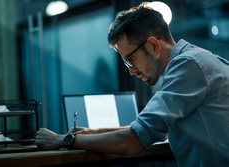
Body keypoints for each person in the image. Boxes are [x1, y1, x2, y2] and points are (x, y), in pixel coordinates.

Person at [35, 1, 229, 167]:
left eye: (130, 59)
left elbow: (134, 142)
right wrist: (91, 133)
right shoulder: (195, 59)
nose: (131, 70)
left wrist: (64, 140)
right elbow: (156, 132)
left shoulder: (188, 66)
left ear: (153, 46)